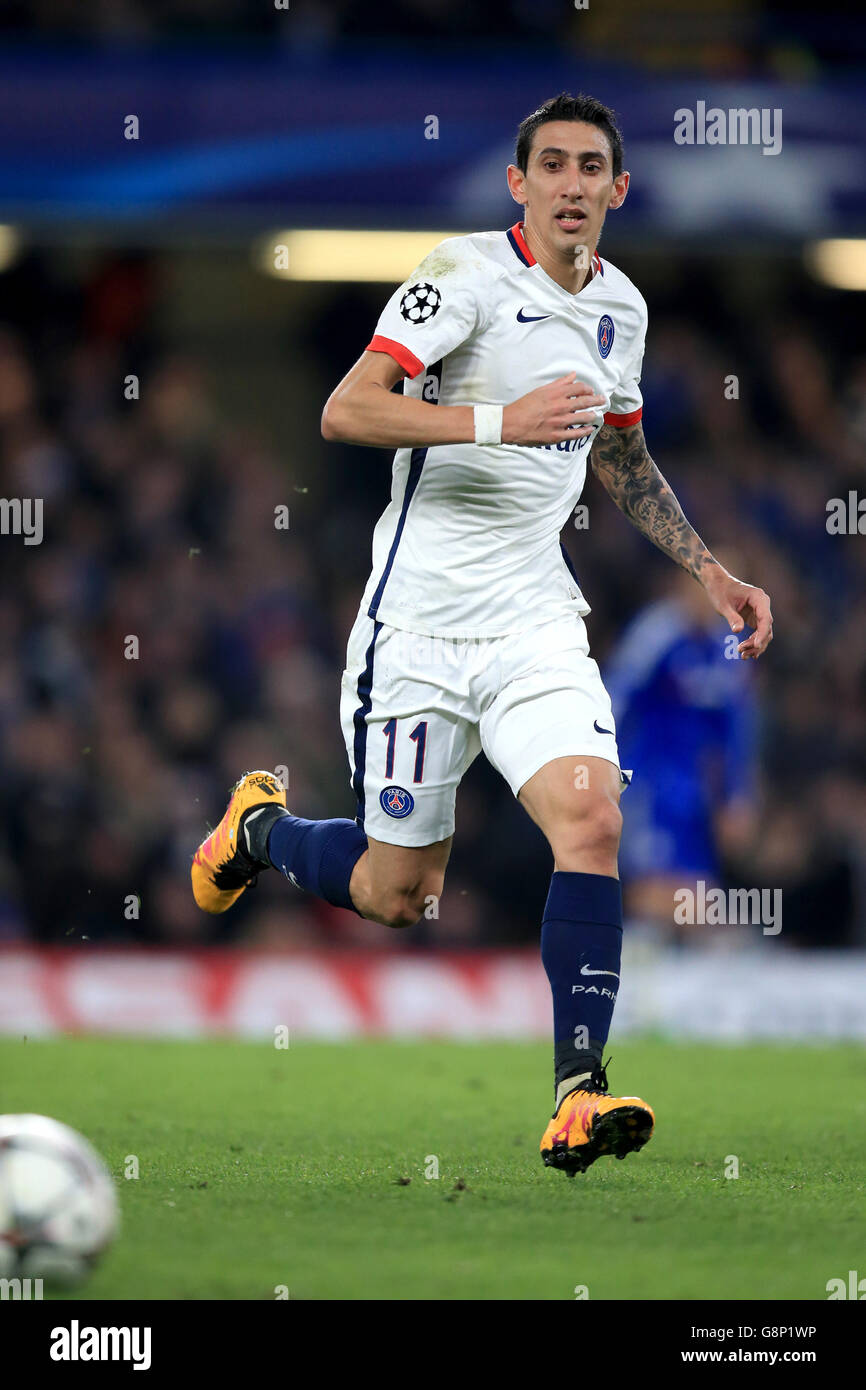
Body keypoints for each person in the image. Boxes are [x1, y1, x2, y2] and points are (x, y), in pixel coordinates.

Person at [191, 92, 773, 1176]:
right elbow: (346, 410)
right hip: (414, 629)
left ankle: (575, 1095)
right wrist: (497, 419)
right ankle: (261, 829)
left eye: (588, 166)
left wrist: (708, 568)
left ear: (616, 189)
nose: (567, 183)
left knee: (590, 820)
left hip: (533, 622)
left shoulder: (622, 313)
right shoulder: (457, 277)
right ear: (518, 183)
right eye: (547, 164)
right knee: (394, 894)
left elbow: (621, 454)